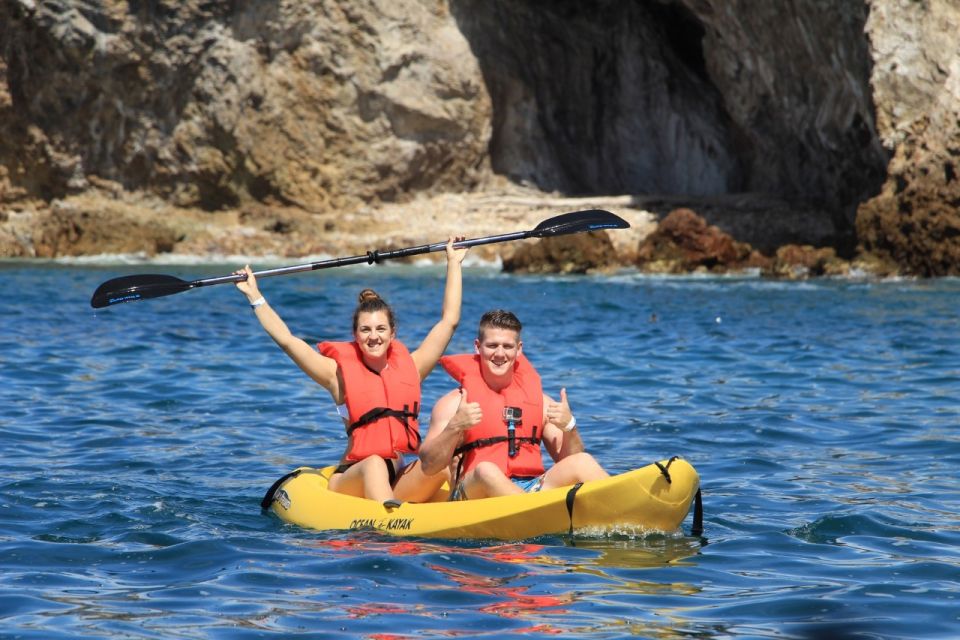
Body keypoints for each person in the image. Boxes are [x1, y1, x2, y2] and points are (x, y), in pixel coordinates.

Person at [234, 237, 467, 504]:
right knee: (375, 463)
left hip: (399, 476)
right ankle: (388, 527)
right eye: (365, 330)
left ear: (393, 333)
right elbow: (288, 341)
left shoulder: (412, 367)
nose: (373, 337)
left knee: (440, 461)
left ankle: (463, 511)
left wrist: (453, 263)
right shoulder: (337, 375)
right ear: (355, 335)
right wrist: (254, 296)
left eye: (381, 329)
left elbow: (449, 321)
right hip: (353, 476)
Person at [419, 309, 609, 500]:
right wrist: (455, 426)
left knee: (583, 462)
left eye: (508, 346)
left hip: (529, 488)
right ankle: (535, 513)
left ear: (519, 349)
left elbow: (569, 458)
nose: (500, 354)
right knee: (486, 470)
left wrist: (569, 427)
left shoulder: (541, 403)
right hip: (472, 493)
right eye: (492, 345)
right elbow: (428, 466)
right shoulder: (454, 404)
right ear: (478, 347)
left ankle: (628, 512)